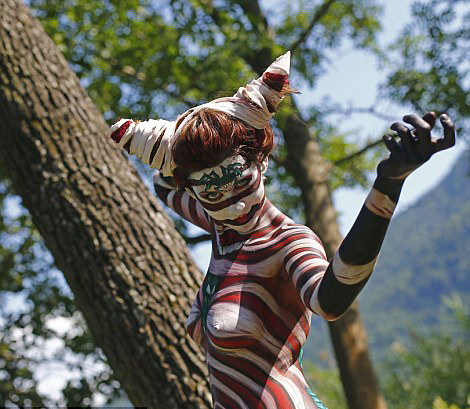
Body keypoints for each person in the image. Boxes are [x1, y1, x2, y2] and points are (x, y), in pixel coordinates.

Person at [108, 52, 455, 409]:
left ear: (261, 160)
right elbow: (165, 185)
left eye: (241, 180)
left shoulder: (287, 242)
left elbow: (330, 299)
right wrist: (189, 134)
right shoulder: (220, 227)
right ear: (194, 193)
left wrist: (388, 185)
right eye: (211, 193)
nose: (234, 203)